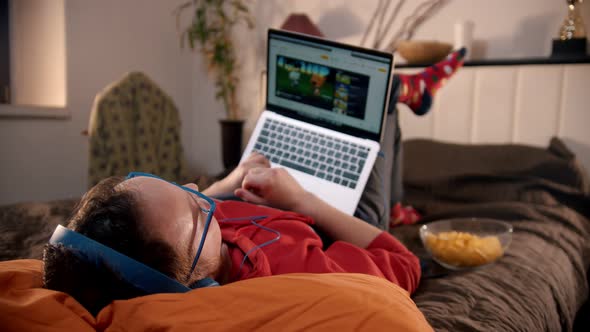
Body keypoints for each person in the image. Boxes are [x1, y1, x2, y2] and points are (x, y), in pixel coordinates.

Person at [43, 50, 466, 316]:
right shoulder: (296, 275)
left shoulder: (184, 241)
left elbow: (178, 213)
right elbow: (404, 266)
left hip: (271, 196)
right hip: (346, 218)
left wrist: (230, 181)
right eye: (197, 208)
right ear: (197, 283)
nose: (199, 194)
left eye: (179, 185)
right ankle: (407, 90)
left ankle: (404, 90)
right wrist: (307, 201)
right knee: (375, 120)